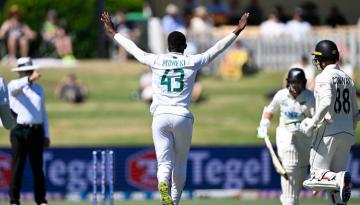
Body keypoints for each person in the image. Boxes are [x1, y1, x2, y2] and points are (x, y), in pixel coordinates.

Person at [101, 11, 249, 205]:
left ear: (168, 46)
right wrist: (237, 30)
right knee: (180, 162)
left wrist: (113, 32)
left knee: (164, 163)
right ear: (185, 47)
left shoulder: (156, 60)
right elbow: (216, 49)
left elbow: (133, 49)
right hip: (182, 116)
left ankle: (162, 184)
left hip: (160, 116)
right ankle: (174, 201)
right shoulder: (192, 61)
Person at [299, 40, 359, 204]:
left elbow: (326, 102)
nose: (316, 61)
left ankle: (338, 178)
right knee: (333, 186)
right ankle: (338, 181)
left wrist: (312, 123)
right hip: (347, 134)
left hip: (328, 131)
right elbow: (356, 113)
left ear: (323, 58)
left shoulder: (323, 77)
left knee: (315, 177)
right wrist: (348, 127)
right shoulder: (348, 79)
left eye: (318, 57)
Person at [257, 68, 315, 205]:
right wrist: (264, 124)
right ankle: (289, 200)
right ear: (288, 82)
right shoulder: (281, 95)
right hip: (285, 139)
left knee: (296, 185)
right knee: (290, 172)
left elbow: (319, 120)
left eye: (298, 83)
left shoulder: (311, 98)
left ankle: (288, 198)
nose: (295, 87)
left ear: (304, 83)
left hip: (304, 142)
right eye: (292, 83)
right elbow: (270, 111)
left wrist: (309, 124)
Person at [8, 57, 49, 205]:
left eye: (30, 71)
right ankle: (14, 200)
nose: (29, 73)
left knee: (38, 169)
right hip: (19, 130)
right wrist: (29, 80)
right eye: (25, 71)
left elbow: (43, 113)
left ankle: (41, 200)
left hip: (36, 131)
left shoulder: (38, 89)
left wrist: (46, 134)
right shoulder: (14, 85)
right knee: (17, 167)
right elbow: (14, 89)